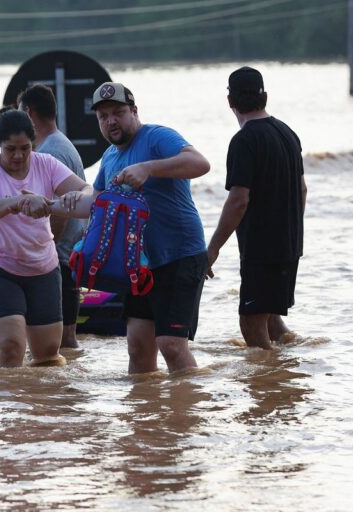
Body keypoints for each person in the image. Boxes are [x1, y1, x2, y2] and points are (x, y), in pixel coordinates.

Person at [66, 82, 211, 374]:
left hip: (179, 255)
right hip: (139, 264)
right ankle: (145, 418)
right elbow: (95, 202)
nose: (111, 121)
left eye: (118, 112)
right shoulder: (110, 156)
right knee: (138, 347)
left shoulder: (157, 137)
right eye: (103, 117)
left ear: (134, 111)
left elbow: (200, 164)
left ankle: (187, 414)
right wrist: (56, 203)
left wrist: (149, 168)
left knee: (171, 344)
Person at [0, 109, 93, 368]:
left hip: (42, 267)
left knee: (48, 353)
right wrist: (19, 201)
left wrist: (75, 195)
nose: (18, 156)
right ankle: (6, 407)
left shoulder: (46, 163)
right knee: (11, 347)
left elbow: (87, 190)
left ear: (34, 142)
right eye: (10, 149)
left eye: (25, 148)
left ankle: (39, 404)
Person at [206, 67, 307, 350]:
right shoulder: (288, 133)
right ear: (265, 96)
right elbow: (302, 190)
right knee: (272, 319)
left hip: (262, 249)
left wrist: (213, 249)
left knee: (251, 323)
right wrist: (290, 231)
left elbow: (239, 200)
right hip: (290, 245)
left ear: (230, 101)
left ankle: (269, 388)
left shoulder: (244, 141)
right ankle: (287, 374)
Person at [17, 84, 87, 349]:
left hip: (59, 257)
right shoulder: (60, 143)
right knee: (64, 340)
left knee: (60, 341)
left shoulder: (50, 153)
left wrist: (46, 247)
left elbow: (58, 212)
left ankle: (63, 389)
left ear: (28, 111)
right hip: (68, 254)